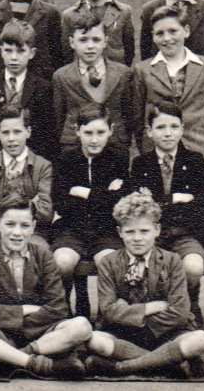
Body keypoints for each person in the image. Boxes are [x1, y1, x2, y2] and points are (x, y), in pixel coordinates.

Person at [85, 189, 204, 376]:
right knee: (94, 340)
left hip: (165, 332)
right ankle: (167, 363)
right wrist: (150, 308)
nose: (137, 238)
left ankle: (123, 367)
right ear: (120, 232)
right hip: (122, 333)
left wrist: (135, 318)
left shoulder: (172, 260)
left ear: (157, 230)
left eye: (144, 231)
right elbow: (109, 310)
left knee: (202, 339)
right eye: (130, 232)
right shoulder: (108, 262)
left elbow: (179, 312)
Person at [0, 194, 91, 378]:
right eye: (10, 224)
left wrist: (9, 315)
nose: (17, 232)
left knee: (82, 326)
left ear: (33, 227)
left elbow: (58, 308)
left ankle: (11, 357)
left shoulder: (43, 255)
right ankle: (37, 362)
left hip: (41, 334)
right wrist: (25, 309)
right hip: (2, 333)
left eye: (24, 226)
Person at [129, 102, 204, 325]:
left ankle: (191, 302)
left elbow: (203, 205)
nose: (168, 133)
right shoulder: (140, 164)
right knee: (141, 267)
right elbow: (139, 208)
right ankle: (154, 310)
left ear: (182, 128)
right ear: (149, 131)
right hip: (153, 235)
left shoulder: (195, 161)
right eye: (161, 127)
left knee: (193, 266)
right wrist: (175, 199)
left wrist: (158, 203)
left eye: (174, 127)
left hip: (188, 233)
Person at [51, 103, 128, 315]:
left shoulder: (118, 158)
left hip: (106, 229)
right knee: (63, 262)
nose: (94, 139)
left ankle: (107, 314)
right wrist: (104, 194)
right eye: (88, 133)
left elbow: (119, 204)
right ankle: (62, 311)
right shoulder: (66, 159)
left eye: (101, 132)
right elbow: (61, 202)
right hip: (71, 228)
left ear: (111, 130)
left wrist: (84, 193)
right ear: (77, 131)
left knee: (108, 261)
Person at [132, 5, 204, 165]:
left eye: (173, 31)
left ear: (186, 31)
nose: (167, 38)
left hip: (200, 148)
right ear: (153, 37)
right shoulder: (142, 69)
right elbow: (137, 116)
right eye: (160, 33)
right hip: (156, 151)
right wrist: (145, 148)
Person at [0, 105, 52, 261]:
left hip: (32, 233)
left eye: (17, 132)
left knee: (40, 257)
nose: (11, 139)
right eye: (5, 133)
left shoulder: (43, 166)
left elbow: (46, 211)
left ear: (28, 132)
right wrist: (29, 204)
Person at [53, 12, 133, 155]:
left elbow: (128, 113)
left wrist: (123, 139)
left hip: (115, 144)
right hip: (75, 146)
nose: (90, 46)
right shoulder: (61, 76)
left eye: (96, 40)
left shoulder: (123, 73)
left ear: (105, 41)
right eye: (83, 40)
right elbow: (59, 117)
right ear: (72, 42)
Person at [0, 20, 55, 161]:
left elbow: (47, 135)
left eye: (20, 51)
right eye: (8, 51)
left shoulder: (43, 88)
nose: (14, 57)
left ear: (31, 53)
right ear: (1, 51)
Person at [61, 0, 135, 66]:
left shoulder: (123, 11)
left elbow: (129, 51)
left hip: (116, 77)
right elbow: (66, 54)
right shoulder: (70, 15)